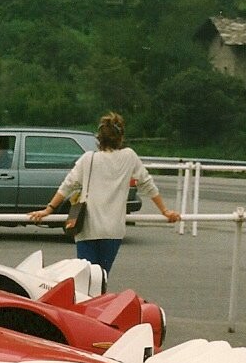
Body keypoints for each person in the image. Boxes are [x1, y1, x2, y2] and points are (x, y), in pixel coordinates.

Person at [28, 113, 180, 275]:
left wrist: (48, 209)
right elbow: (148, 185)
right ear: (120, 137)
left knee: (86, 278)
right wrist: (165, 211)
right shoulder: (129, 156)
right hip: (112, 230)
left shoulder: (88, 159)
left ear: (99, 138)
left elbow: (67, 185)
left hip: (87, 228)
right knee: (102, 276)